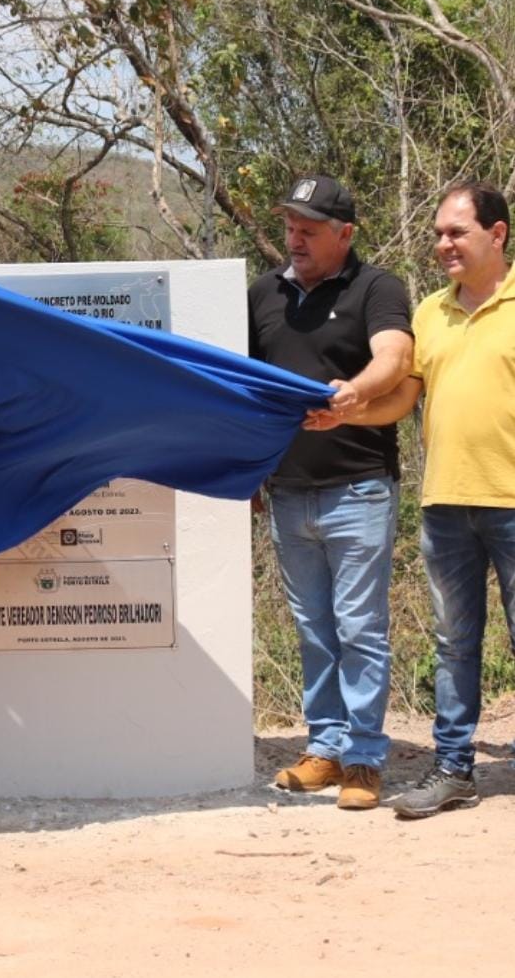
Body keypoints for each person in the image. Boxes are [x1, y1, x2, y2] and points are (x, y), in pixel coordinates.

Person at [310, 182, 515, 818]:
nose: (442, 244)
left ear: (498, 234)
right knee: (453, 644)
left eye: (456, 232)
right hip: (446, 503)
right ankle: (454, 768)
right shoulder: (429, 311)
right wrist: (347, 412)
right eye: (437, 233)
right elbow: (405, 398)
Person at [248, 173, 413, 809]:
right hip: (287, 491)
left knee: (360, 627)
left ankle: (366, 759)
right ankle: (326, 747)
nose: (295, 238)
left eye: (309, 229)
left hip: (360, 490)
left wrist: (356, 392)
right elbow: (237, 386)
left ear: (344, 234)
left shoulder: (378, 287)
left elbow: (394, 357)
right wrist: (243, 473)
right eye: (290, 226)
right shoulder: (262, 294)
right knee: (314, 628)